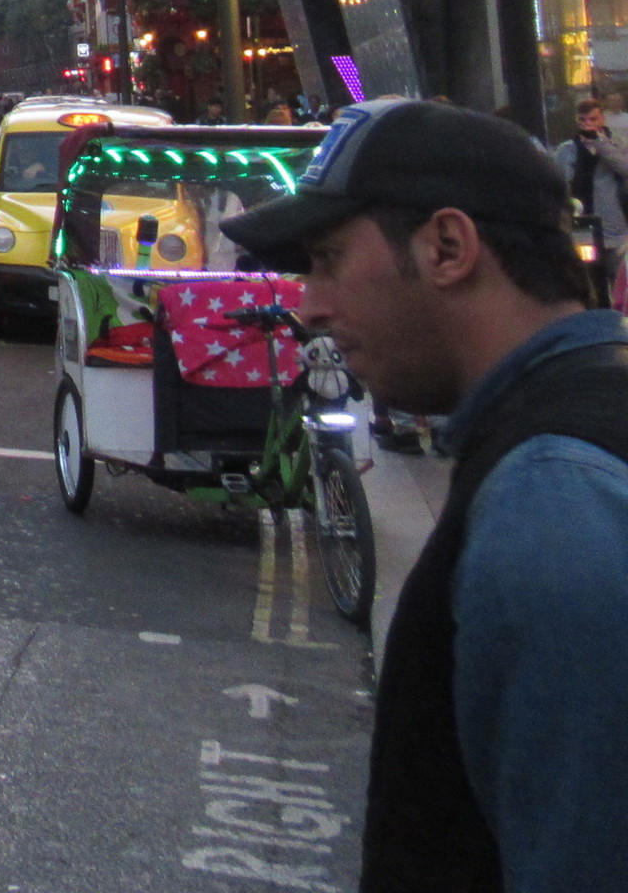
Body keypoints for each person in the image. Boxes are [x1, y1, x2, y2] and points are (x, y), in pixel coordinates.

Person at [223, 96, 628, 893]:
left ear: (447, 247)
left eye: (329, 259)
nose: (309, 304)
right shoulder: (558, 438)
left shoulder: (552, 507)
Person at [553, 97, 628, 311]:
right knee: (590, 278)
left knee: (617, 277)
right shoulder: (568, 149)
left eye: (593, 119)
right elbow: (560, 181)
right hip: (583, 222)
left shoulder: (617, 144)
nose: (587, 124)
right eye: (583, 120)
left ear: (602, 118)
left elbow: (624, 168)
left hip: (614, 223)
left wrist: (601, 145)